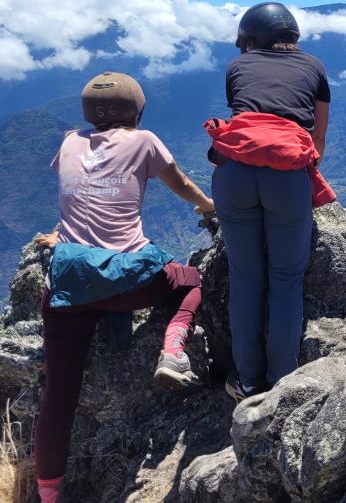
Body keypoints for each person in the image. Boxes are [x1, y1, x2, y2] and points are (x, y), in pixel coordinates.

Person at [32, 72, 214, 503]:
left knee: (58, 393)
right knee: (194, 279)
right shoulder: (145, 140)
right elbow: (183, 186)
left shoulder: (69, 141)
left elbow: (75, 194)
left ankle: (48, 494)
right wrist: (211, 207)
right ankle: (173, 350)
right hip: (131, 281)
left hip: (70, 284)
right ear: (137, 109)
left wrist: (63, 236)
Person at [207, 2, 334, 403]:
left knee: (246, 278)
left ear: (250, 37)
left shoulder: (236, 67)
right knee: (286, 280)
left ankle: (247, 381)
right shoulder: (314, 67)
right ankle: (281, 384)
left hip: (234, 173)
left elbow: (246, 118)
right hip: (286, 178)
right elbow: (317, 140)